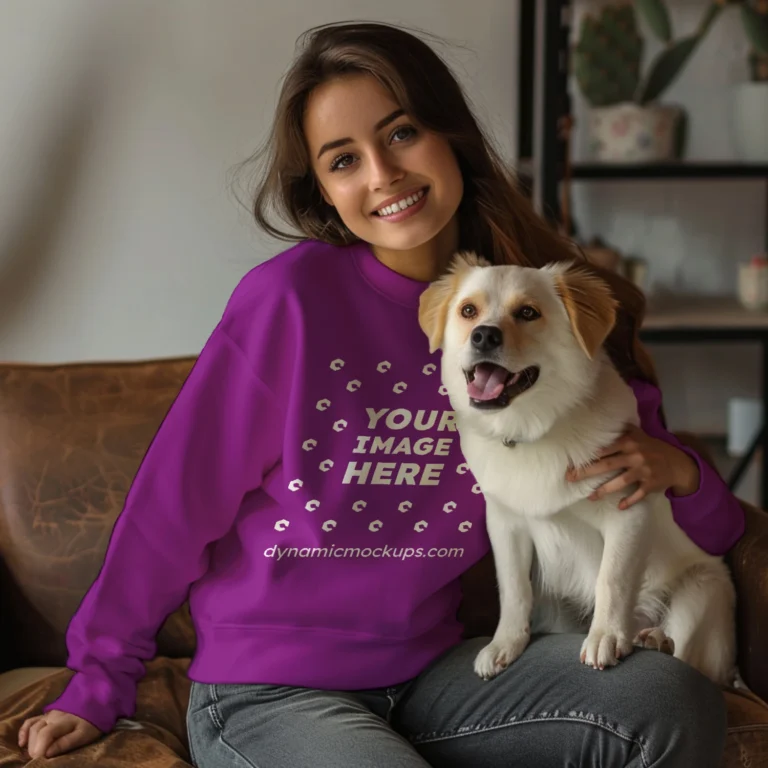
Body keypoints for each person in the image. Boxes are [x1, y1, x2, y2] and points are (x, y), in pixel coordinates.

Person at [18, 21, 744, 767]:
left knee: (664, 701)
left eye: (401, 134)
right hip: (270, 690)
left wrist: (683, 475)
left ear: (450, 134)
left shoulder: (538, 310)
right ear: (327, 194)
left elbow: (691, 517)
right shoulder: (289, 303)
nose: (382, 174)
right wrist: (97, 682)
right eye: (343, 160)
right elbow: (172, 504)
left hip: (435, 676)